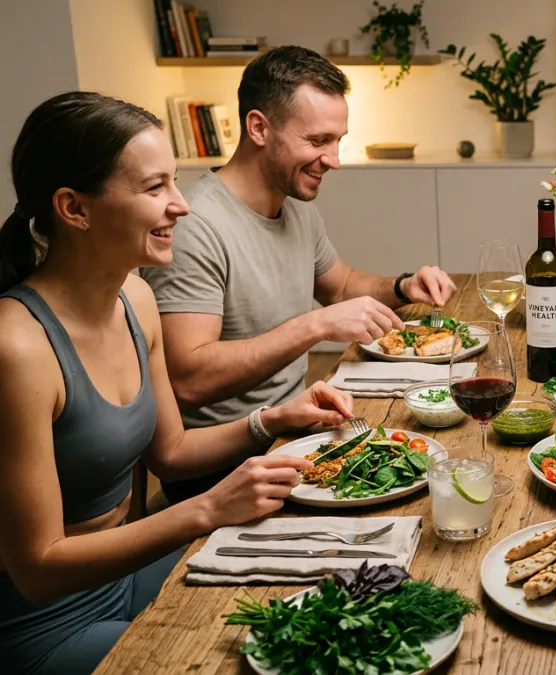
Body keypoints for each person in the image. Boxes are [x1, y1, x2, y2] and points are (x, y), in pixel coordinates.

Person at [0, 92, 355, 674]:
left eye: (175, 183)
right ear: (74, 207)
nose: (181, 206)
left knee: (325, 590)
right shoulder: (16, 346)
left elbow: (171, 453)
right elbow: (38, 566)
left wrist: (273, 419)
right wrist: (207, 510)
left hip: (127, 574)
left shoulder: (135, 299)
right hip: (43, 625)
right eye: (154, 188)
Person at [140, 46, 455, 503]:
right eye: (318, 140)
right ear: (259, 128)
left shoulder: (293, 206)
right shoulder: (195, 226)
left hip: (298, 433)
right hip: (227, 469)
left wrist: (404, 285)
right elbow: (188, 382)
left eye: (338, 140)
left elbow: (342, 286)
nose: (334, 159)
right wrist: (314, 326)